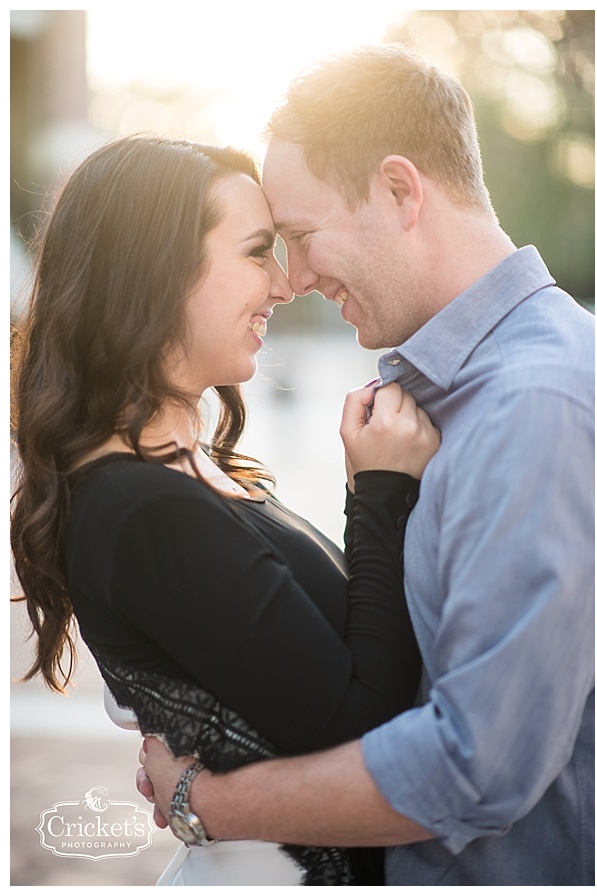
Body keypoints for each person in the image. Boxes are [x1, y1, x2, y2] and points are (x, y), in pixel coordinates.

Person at [137, 44, 596, 886]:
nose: (295, 279)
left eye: (303, 238)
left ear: (399, 189)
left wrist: (208, 803)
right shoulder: (441, 401)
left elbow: (476, 764)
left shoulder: (534, 405)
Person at [9, 134, 440, 884]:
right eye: (254, 252)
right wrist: (379, 494)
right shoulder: (142, 510)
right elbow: (366, 733)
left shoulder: (184, 473)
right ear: (155, 274)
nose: (283, 284)